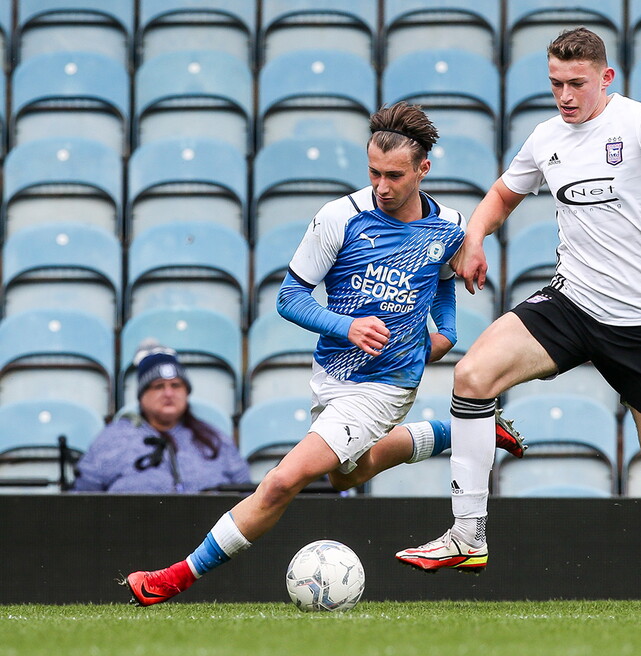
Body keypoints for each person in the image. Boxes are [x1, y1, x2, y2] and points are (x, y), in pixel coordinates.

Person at [396, 28, 641, 608]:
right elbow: (500, 195)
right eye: (555, 84)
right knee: (472, 377)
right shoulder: (546, 138)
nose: (565, 95)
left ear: (605, 79)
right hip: (572, 304)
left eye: (576, 84)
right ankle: (467, 534)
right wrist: (473, 236)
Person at [123, 102, 523, 606]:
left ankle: (175, 577)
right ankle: (470, 429)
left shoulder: (449, 227)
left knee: (282, 481)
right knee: (345, 476)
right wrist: (347, 325)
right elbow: (289, 299)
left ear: (423, 168)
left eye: (395, 175)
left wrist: (445, 331)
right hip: (333, 376)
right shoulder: (340, 217)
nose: (382, 185)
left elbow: (442, 283)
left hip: (387, 385)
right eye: (374, 172)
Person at [73, 341, 250, 493]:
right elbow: (82, 500)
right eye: (158, 386)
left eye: (176, 385)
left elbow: (246, 493)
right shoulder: (111, 439)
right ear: (142, 396)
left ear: (186, 392)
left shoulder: (215, 439)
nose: (168, 393)